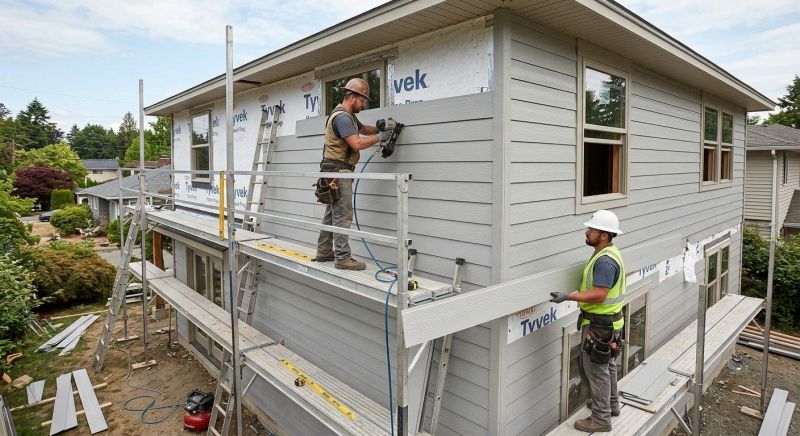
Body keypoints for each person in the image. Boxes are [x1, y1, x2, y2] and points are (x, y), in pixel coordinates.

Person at [549, 209, 626, 433]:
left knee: (596, 371)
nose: (587, 232)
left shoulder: (604, 262)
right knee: (608, 365)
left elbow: (599, 294)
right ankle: (611, 404)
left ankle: (601, 419)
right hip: (611, 322)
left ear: (604, 235)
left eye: (591, 229)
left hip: (599, 326)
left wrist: (569, 296)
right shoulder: (610, 252)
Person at [315, 77, 391, 270]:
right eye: (363, 99)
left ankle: (324, 251)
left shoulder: (346, 115)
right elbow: (356, 143)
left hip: (332, 170)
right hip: (339, 172)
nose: (363, 104)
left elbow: (363, 129)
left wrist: (380, 128)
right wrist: (380, 137)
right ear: (352, 96)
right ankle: (342, 258)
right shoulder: (342, 118)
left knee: (332, 213)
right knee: (343, 215)